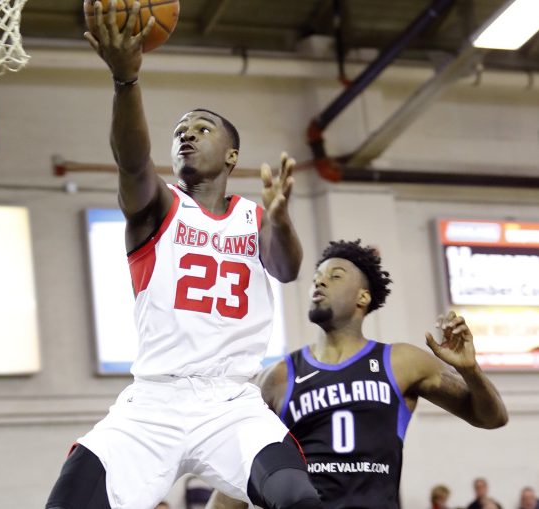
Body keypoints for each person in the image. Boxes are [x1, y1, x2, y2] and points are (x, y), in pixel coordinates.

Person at [44, 2, 322, 509]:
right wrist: (126, 82)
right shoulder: (159, 207)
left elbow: (287, 270)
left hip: (232, 403)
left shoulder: (254, 216)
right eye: (179, 132)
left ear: (232, 155)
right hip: (154, 402)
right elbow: (131, 163)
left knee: (298, 499)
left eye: (202, 128)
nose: (187, 135)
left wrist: (280, 219)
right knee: (68, 502)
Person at [207, 239, 508, 509]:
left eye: (334, 276)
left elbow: (491, 417)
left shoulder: (402, 361)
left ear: (363, 297)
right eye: (316, 278)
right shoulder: (277, 377)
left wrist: (470, 370)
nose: (320, 283)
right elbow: (235, 483)